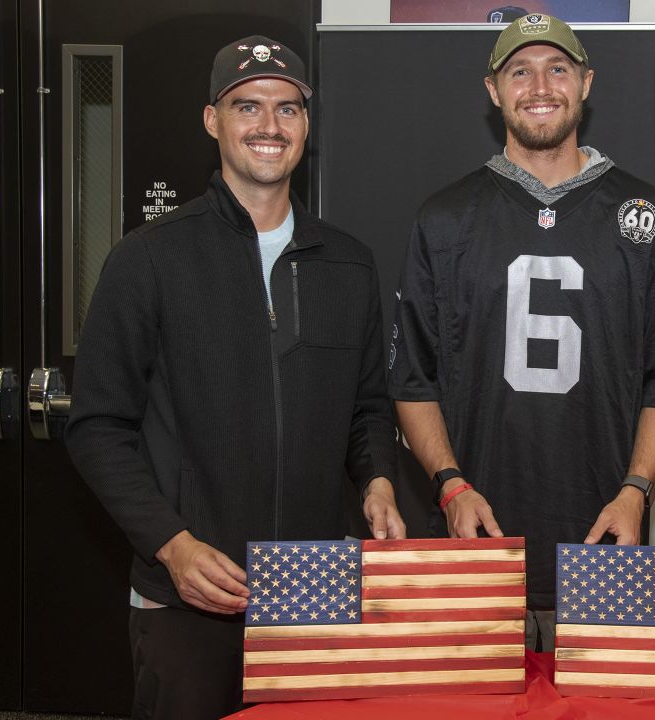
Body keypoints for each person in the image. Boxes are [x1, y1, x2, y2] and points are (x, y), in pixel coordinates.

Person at [65, 35, 405, 720]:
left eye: (287, 108)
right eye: (247, 106)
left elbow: (367, 407)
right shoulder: (147, 260)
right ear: (213, 120)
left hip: (314, 592)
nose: (268, 126)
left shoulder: (349, 263)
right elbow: (97, 426)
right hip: (189, 590)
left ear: (307, 124)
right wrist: (171, 544)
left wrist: (378, 478)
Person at [387, 14, 655, 651]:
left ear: (585, 82)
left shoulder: (644, 214)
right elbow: (412, 378)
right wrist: (451, 485)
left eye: (557, 68)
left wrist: (637, 493)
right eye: (519, 70)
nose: (540, 84)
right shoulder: (445, 217)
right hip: (475, 535)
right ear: (492, 89)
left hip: (606, 535)